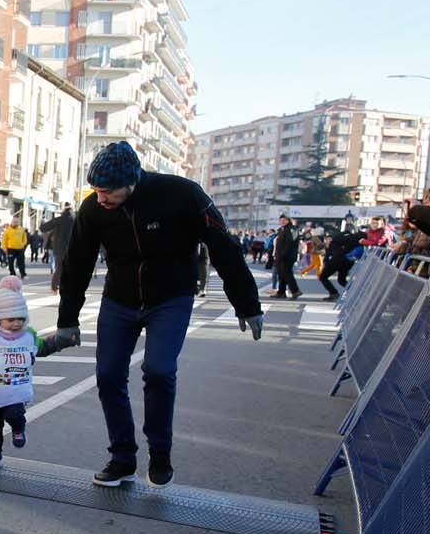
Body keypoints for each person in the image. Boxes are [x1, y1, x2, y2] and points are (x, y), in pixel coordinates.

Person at [53, 140, 264, 489]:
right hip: (119, 299)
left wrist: (247, 304)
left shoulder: (182, 194)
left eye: (108, 192)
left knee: (159, 370)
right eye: (95, 191)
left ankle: (160, 454)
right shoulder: (93, 210)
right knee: (107, 375)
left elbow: (224, 247)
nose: (100, 198)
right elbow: (78, 263)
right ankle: (122, 457)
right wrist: (67, 319)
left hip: (171, 297)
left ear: (131, 182)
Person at [0, 277, 42, 471]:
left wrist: (63, 340)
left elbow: (43, 346)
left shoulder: (28, 336)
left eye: (20, 319)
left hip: (15, 391)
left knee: (15, 414)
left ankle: (18, 427)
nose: (16, 324)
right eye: (10, 319)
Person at [269, 215, 302, 300]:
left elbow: (290, 243)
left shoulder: (292, 229)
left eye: (284, 220)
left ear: (288, 221)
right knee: (281, 274)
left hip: (287, 256)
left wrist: (283, 254)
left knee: (287, 274)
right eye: (281, 220)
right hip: (280, 256)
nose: (282, 222)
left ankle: (295, 291)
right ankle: (281, 292)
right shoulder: (282, 230)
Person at [45, 203, 75, 292]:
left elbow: (43, 228)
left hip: (59, 250)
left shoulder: (59, 220)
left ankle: (54, 287)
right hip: (72, 249)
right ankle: (67, 287)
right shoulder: (76, 219)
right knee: (71, 269)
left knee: (59, 269)